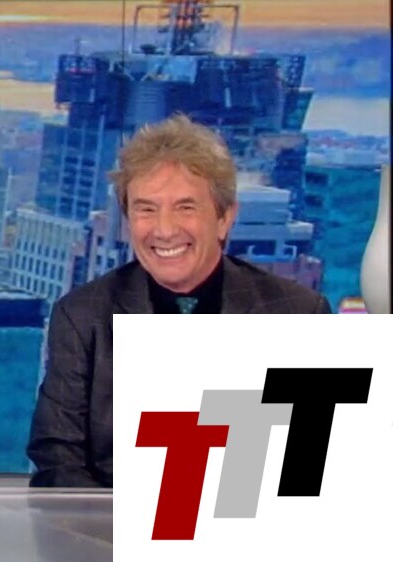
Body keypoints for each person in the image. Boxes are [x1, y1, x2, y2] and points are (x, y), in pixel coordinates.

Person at [26, 114, 330, 489]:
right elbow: (57, 459)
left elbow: (317, 466)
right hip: (112, 524)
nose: (165, 229)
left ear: (224, 218)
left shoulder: (297, 314)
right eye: (146, 209)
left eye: (185, 207)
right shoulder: (83, 317)